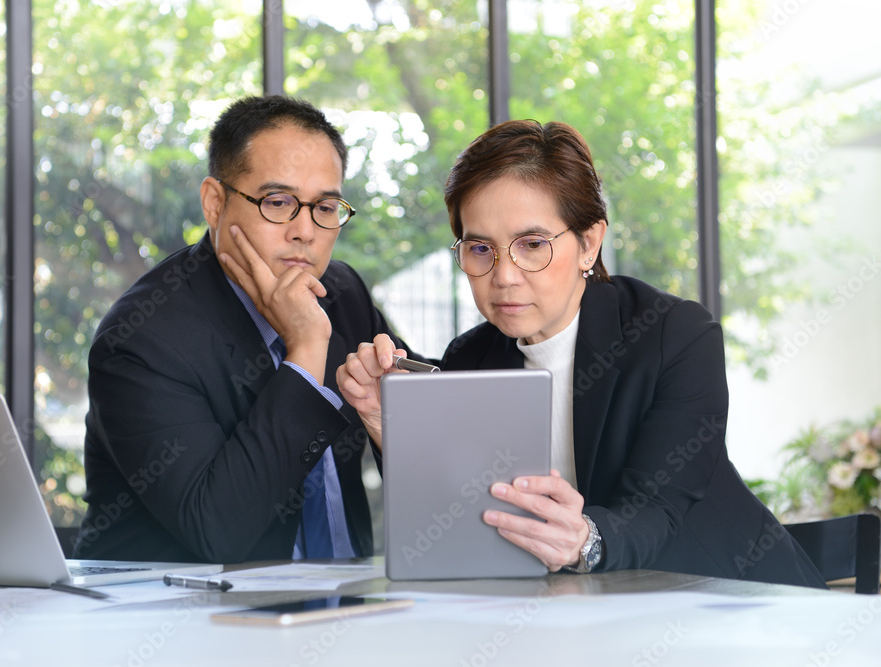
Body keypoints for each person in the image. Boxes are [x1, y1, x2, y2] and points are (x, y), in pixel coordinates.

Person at [337, 120, 826, 587]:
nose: (504, 276)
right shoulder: (470, 358)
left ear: (589, 243)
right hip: (581, 615)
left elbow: (659, 511)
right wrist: (389, 427)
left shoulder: (675, 336)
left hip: (730, 602)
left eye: (532, 244)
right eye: (480, 248)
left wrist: (584, 539)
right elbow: (456, 518)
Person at [73, 95, 422, 564]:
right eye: (278, 202)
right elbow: (218, 530)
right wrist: (304, 349)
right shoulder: (141, 339)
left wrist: (391, 427)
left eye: (325, 206)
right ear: (215, 204)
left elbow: (437, 452)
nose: (305, 231)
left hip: (347, 606)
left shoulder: (343, 292)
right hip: (184, 617)